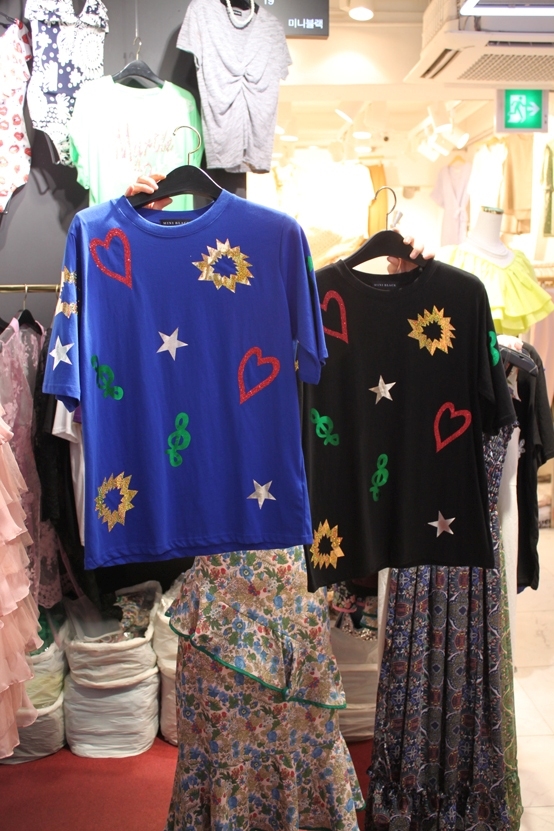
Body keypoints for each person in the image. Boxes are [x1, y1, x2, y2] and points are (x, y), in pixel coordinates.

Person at [124, 174, 433, 831]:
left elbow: (388, 374)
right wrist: (133, 228)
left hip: (290, 564)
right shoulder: (181, 316)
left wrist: (414, 274)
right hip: (218, 567)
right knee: (223, 735)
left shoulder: (319, 301)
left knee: (299, 725)